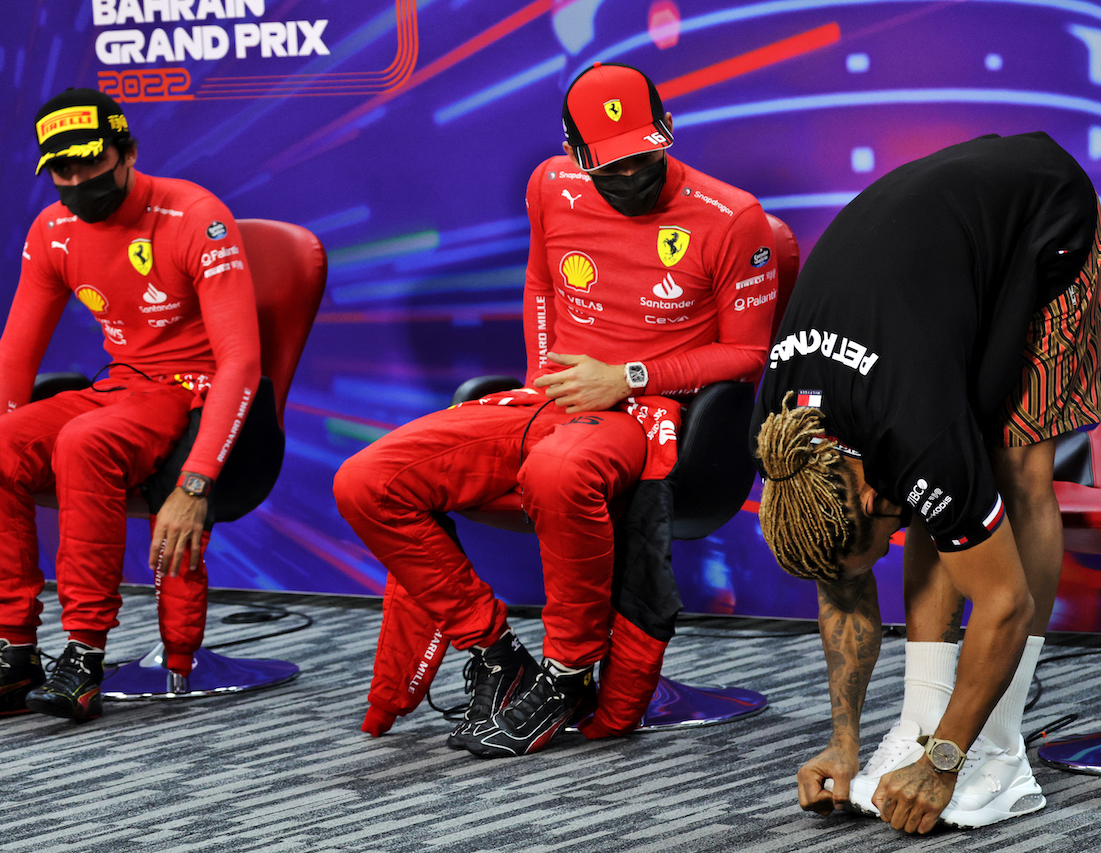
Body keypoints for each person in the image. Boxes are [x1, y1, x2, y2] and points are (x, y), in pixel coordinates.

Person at [334, 62, 780, 758]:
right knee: (365, 480)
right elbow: (542, 280)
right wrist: (545, 369)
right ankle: (495, 650)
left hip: (645, 411)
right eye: (611, 166)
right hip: (551, 398)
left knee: (555, 471)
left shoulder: (733, 216)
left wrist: (626, 375)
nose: (630, 176)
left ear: (666, 133)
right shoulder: (551, 184)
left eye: (642, 156)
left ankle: (567, 671)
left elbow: (748, 355)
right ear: (576, 154)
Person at [750, 132, 1101, 832]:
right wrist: (845, 742)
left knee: (1016, 468)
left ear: (876, 495)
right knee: (941, 495)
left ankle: (999, 753)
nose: (871, 565)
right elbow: (841, 577)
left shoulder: (914, 438)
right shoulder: (785, 443)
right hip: (924, 297)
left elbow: (1003, 602)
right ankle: (916, 720)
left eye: (876, 550)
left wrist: (946, 762)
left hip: (1038, 214)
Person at [0, 88, 260, 722]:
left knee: (85, 442)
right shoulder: (51, 229)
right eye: (62, 170)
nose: (78, 180)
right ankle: (14, 654)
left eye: (91, 162)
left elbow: (241, 361)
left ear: (128, 152)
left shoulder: (195, 215)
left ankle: (83, 654)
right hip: (118, 387)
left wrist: (196, 483)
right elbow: (13, 357)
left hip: (187, 390)